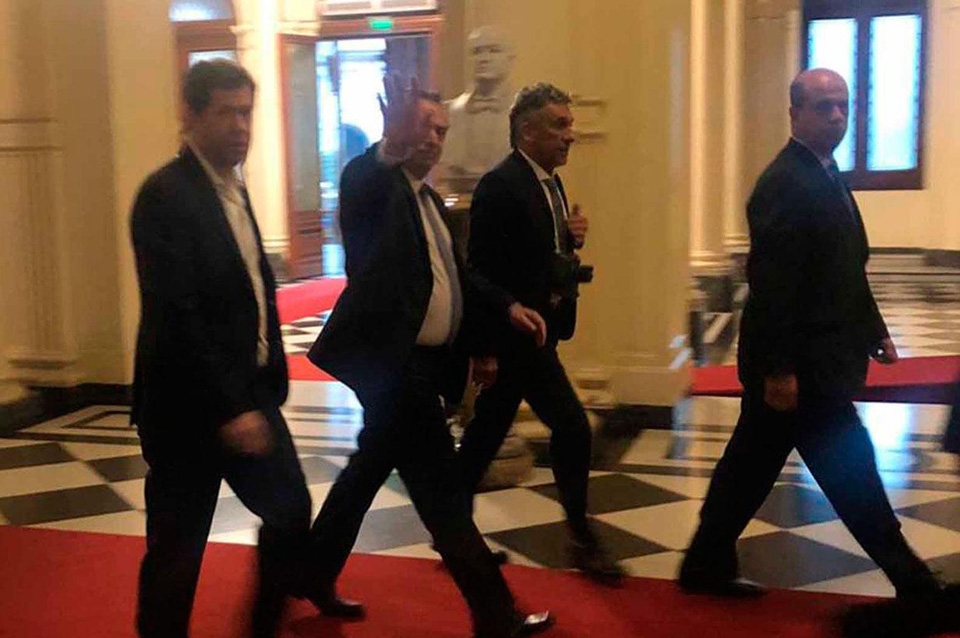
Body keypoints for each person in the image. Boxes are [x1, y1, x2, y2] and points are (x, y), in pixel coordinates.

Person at [677, 68, 939, 602]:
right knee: (852, 471)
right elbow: (773, 286)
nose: (837, 116)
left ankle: (703, 562)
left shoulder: (824, 172)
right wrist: (779, 370)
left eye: (843, 105)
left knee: (749, 468)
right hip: (800, 366)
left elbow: (844, 268)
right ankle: (913, 581)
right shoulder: (784, 183)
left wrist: (874, 329)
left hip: (816, 359)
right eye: (824, 106)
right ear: (795, 113)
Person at [306, 75, 554, 638]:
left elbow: (457, 278)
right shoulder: (374, 186)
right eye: (423, 127)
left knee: (367, 471)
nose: (434, 139)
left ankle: (311, 570)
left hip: (420, 367)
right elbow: (365, 180)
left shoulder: (429, 201)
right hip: (395, 368)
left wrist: (505, 308)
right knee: (442, 495)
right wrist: (390, 145)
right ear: (395, 129)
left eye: (441, 130)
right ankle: (495, 614)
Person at [130, 60, 320, 638]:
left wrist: (260, 382)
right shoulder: (165, 195)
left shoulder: (233, 188)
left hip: (248, 393)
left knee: (290, 511)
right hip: (188, 409)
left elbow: (252, 288)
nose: (241, 126)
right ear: (189, 115)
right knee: (177, 550)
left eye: (247, 112)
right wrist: (231, 407)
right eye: (226, 113)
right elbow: (178, 314)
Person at [457, 82, 624, 581]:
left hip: (537, 334)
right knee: (571, 428)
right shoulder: (499, 185)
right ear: (527, 131)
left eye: (570, 124)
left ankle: (451, 529)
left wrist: (570, 240)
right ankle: (581, 536)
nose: (570, 135)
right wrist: (486, 344)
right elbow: (476, 272)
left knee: (484, 436)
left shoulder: (550, 183)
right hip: (513, 338)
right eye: (559, 125)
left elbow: (540, 253)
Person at [441, 25, 515, 191]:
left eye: (494, 50)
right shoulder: (450, 112)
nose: (484, 59)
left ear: (510, 57)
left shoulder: (524, 114)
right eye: (477, 52)